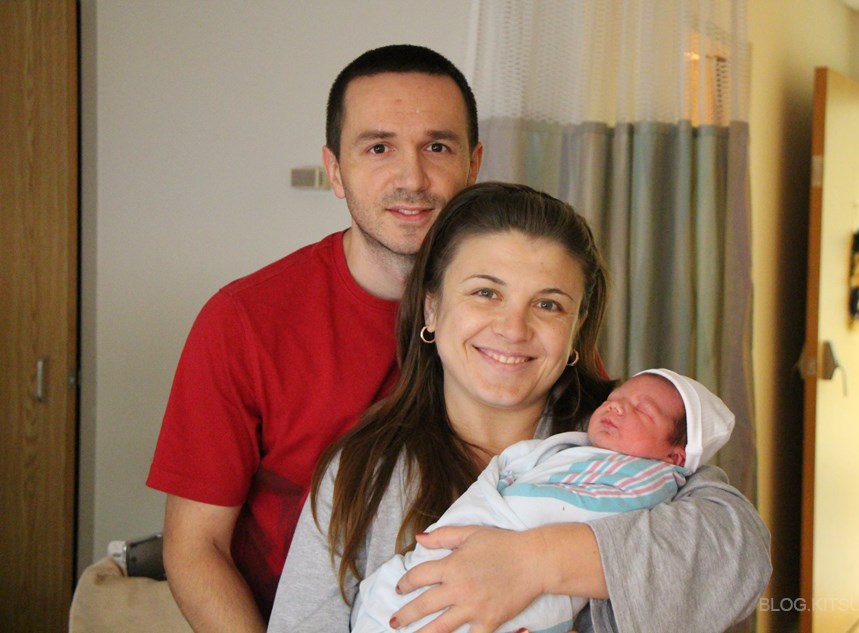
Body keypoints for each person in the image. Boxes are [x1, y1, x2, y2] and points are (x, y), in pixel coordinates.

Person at [268, 182, 771, 633]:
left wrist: (533, 562)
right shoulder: (362, 472)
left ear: (576, 328)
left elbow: (741, 553)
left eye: (548, 304)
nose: (513, 329)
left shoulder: (625, 441)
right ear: (431, 307)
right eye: (486, 292)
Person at [146, 44, 483, 631]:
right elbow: (197, 547)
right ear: (335, 170)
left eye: (437, 147)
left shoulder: (522, 319)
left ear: (474, 165)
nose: (412, 178)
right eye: (378, 148)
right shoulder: (244, 320)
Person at [349, 368, 737, 633]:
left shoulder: (654, 481)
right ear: (431, 309)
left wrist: (534, 559)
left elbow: (736, 546)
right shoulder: (369, 461)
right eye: (616, 398)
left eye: (642, 410)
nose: (617, 406)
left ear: (675, 457)